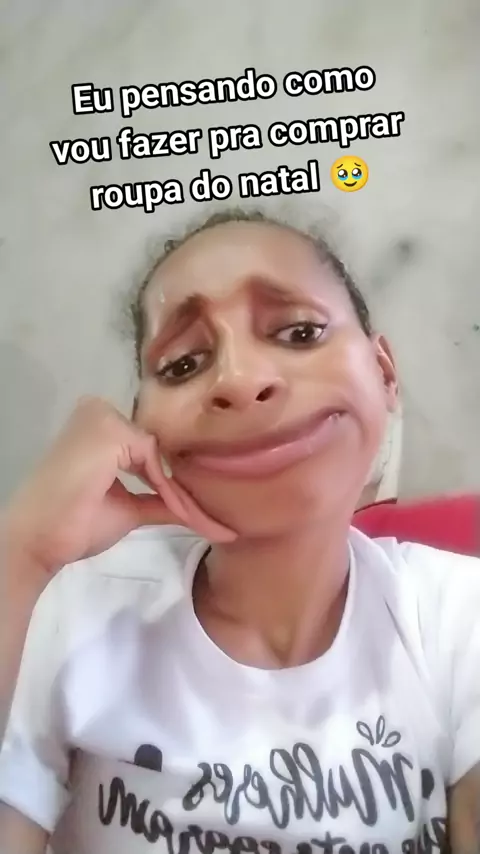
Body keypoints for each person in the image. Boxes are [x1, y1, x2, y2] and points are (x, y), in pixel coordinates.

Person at [0, 208, 479, 854]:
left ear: (384, 372)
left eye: (300, 331)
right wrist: (22, 551)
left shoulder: (459, 613)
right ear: (145, 430)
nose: (240, 380)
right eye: (182, 364)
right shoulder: (63, 604)